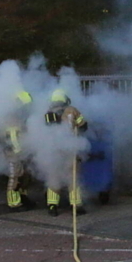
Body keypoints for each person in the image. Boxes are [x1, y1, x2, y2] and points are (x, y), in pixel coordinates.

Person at [44, 88, 88, 217]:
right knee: (73, 177)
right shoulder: (73, 110)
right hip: (70, 149)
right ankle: (76, 205)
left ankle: (52, 205)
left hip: (54, 150)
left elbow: (46, 131)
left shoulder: (48, 113)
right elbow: (83, 126)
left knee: (54, 176)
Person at [2, 91, 36, 211]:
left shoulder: (22, 117)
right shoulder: (11, 118)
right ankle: (14, 202)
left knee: (26, 176)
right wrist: (18, 150)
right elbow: (12, 136)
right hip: (14, 152)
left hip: (23, 151)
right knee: (15, 176)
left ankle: (23, 196)